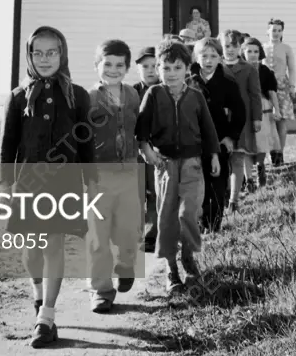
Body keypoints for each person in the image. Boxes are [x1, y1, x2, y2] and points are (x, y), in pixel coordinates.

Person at [0, 25, 94, 349]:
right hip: (28, 182)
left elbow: (87, 144)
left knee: (53, 244)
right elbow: (7, 144)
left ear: (62, 53)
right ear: (29, 56)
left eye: (51, 51)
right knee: (32, 248)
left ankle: (47, 317)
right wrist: (5, 182)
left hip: (64, 182)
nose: (44, 58)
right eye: (37, 52)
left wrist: (92, 180)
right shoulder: (17, 97)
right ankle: (38, 297)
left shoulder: (77, 95)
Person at [135, 37, 220, 294]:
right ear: (158, 68)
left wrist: (214, 154)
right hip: (166, 165)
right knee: (168, 215)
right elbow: (141, 129)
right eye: (165, 68)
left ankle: (189, 256)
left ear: (187, 68)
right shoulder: (153, 94)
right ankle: (172, 270)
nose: (171, 74)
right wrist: (146, 151)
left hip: (193, 163)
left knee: (189, 212)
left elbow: (208, 128)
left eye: (177, 68)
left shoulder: (195, 97)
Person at [86, 39, 141, 313]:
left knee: (129, 230)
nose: (113, 69)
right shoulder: (89, 98)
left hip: (129, 173)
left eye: (120, 65)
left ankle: (126, 263)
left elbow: (140, 131)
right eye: (107, 64)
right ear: (96, 65)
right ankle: (101, 290)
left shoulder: (132, 95)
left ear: (127, 68)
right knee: (98, 237)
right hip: (98, 177)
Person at [189, 37, 246, 232]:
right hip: (194, 141)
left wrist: (231, 137)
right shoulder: (189, 82)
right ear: (196, 58)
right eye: (204, 55)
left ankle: (214, 226)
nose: (208, 60)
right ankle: (199, 223)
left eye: (213, 56)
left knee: (217, 184)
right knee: (198, 184)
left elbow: (239, 112)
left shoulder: (227, 83)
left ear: (220, 58)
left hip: (220, 141)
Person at [219, 29, 261, 214]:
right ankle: (223, 193)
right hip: (220, 119)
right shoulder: (215, 65)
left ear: (240, 47)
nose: (230, 49)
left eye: (234, 46)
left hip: (241, 118)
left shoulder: (249, 69)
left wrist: (257, 118)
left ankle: (234, 200)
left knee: (237, 158)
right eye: (226, 46)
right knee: (222, 159)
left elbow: (255, 94)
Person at [241, 37, 281, 188]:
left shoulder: (265, 71)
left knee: (261, 143)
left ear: (260, 53)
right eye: (249, 51)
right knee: (244, 145)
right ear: (243, 52)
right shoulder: (237, 70)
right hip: (244, 111)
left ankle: (260, 168)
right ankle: (248, 179)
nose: (252, 54)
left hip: (263, 110)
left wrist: (277, 108)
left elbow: (272, 92)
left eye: (256, 51)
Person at [132, 46, 159, 252]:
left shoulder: (163, 90)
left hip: (156, 149)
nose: (150, 70)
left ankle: (152, 235)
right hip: (135, 151)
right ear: (137, 69)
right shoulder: (132, 92)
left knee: (154, 192)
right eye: (145, 66)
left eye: (155, 66)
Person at [264, 18, 296, 166]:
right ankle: (270, 153)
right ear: (268, 31)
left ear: (282, 32)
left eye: (279, 30)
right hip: (265, 87)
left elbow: (292, 68)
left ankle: (280, 154)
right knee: (268, 120)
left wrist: (292, 86)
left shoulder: (286, 48)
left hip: (281, 86)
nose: (276, 33)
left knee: (281, 122)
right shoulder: (262, 47)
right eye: (273, 30)